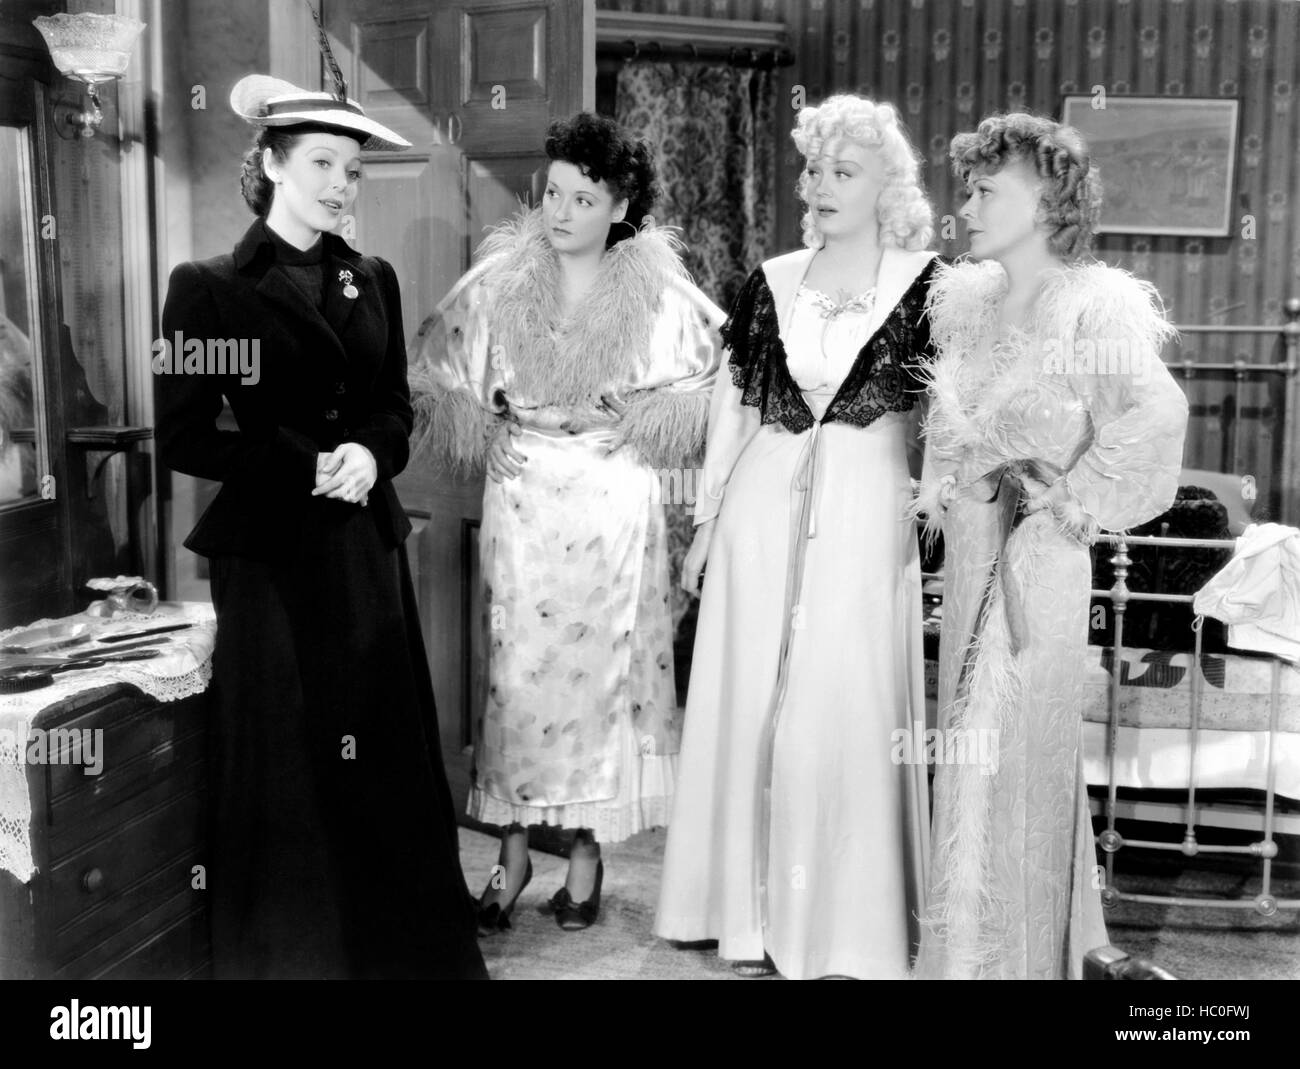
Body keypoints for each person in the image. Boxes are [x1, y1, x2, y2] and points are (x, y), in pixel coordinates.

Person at [156, 71, 487, 980]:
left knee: (375, 748)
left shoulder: (369, 276)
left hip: (361, 545)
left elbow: (392, 407)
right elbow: (186, 432)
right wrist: (302, 463)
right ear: (271, 164)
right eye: (323, 163)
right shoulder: (208, 287)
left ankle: (396, 954)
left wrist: (376, 455)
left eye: (353, 168)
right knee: (292, 755)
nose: (343, 184)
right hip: (270, 555)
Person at [411, 113, 721, 933]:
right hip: (527, 494)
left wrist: (649, 418)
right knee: (517, 680)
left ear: (619, 209)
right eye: (553, 193)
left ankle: (584, 860)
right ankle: (510, 856)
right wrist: (487, 430)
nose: (560, 211)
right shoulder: (498, 283)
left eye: (583, 198)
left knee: (600, 685)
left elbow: (718, 378)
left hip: (614, 498)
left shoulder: (658, 292)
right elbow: (436, 367)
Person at [654, 95, 939, 979]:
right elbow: (732, 415)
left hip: (866, 514)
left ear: (888, 186)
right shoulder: (769, 280)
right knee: (748, 702)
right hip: (759, 513)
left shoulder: (934, 284)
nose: (817, 185)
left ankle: (844, 926)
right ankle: (739, 913)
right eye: (811, 168)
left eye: (841, 171)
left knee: (841, 707)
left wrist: (938, 510)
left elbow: (955, 417)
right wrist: (702, 531)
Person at [912, 113, 1189, 979]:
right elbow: (953, 434)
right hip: (969, 557)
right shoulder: (971, 305)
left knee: (1019, 763)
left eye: (987, 189)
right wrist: (940, 489)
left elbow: (1156, 414)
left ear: (1047, 201)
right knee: (967, 755)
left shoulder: (1092, 306)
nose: (966, 206)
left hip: (1041, 564)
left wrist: (1070, 503)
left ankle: (1018, 963)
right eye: (967, 188)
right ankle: (968, 954)